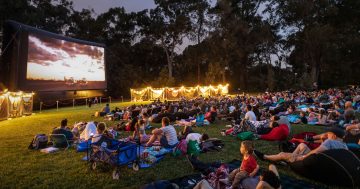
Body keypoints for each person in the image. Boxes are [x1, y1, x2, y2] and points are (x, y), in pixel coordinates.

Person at [254, 126, 348, 163]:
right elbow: (326, 152)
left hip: (314, 160)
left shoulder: (330, 141)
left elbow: (318, 151)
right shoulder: (345, 146)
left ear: (334, 136)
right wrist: (323, 140)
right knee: (302, 146)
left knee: (282, 154)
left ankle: (265, 157)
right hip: (324, 160)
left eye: (329, 134)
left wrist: (304, 157)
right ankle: (291, 159)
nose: (327, 135)